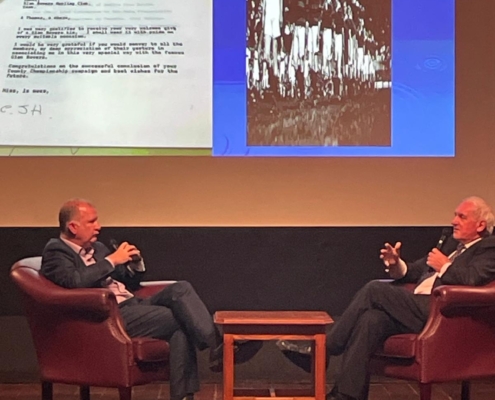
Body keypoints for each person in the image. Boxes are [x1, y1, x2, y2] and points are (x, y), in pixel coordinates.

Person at [41, 199, 262, 400]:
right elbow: (74, 282)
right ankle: (218, 349)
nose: (98, 226)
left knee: (181, 289)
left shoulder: (97, 248)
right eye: (92, 221)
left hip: (132, 305)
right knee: (179, 320)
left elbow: (128, 282)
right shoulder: (56, 252)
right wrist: (111, 260)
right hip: (106, 317)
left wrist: (134, 264)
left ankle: (187, 390)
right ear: (73, 227)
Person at [278, 196, 495, 400]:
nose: (453, 221)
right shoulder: (450, 246)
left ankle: (324, 349)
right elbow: (413, 271)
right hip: (417, 308)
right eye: (455, 215)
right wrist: (396, 264)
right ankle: (347, 395)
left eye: (461, 217)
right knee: (371, 320)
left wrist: (445, 266)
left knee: (374, 289)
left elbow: (472, 279)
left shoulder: (489, 248)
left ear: (480, 225)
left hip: (442, 315)